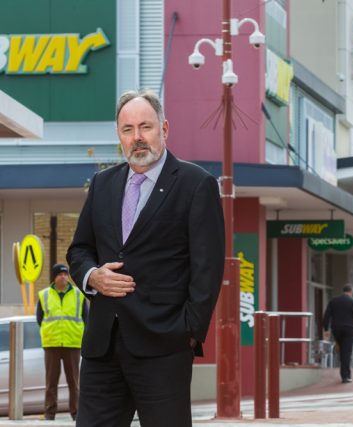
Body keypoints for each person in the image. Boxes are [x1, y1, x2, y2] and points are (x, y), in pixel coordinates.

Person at [66, 89, 225, 427]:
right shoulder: (102, 184)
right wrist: (92, 276)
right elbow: (79, 250)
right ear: (119, 136)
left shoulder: (196, 184)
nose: (137, 138)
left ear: (164, 128)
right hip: (102, 346)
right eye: (127, 129)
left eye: (145, 127)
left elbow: (207, 268)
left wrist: (188, 332)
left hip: (164, 346)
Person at [36, 263, 88, 421]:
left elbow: (86, 318)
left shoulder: (78, 294)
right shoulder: (44, 295)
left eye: (66, 274)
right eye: (60, 274)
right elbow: (40, 318)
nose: (64, 277)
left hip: (72, 343)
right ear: (54, 277)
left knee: (74, 382)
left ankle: (76, 414)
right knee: (51, 383)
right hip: (51, 343)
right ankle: (49, 414)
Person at [322, 285, 353, 383]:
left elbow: (327, 315)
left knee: (342, 350)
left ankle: (344, 372)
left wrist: (326, 329)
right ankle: (345, 376)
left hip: (336, 329)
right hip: (349, 329)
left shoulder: (333, 301)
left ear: (343, 291)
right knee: (346, 352)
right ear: (351, 291)